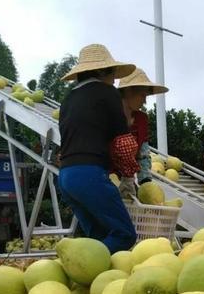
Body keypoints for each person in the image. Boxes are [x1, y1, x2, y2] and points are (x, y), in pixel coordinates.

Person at [58, 44, 139, 253]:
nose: (114, 80)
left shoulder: (68, 99)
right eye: (112, 74)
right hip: (89, 173)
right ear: (102, 71)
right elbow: (123, 142)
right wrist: (128, 176)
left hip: (66, 176)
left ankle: (90, 279)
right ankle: (80, 261)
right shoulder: (107, 92)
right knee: (124, 235)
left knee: (98, 238)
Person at [117, 67, 169, 187]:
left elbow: (143, 153)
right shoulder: (110, 114)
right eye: (142, 95)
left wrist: (145, 181)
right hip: (107, 176)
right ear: (128, 91)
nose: (144, 101)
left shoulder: (142, 119)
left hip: (127, 178)